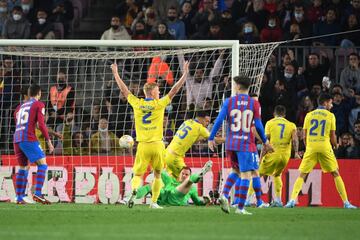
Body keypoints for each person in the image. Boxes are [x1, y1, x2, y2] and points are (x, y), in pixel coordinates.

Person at [111, 60, 189, 209]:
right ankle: (153, 202)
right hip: (158, 145)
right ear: (153, 92)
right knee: (158, 175)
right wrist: (184, 74)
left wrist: (116, 73)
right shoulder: (159, 104)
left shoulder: (137, 103)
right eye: (158, 91)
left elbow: (124, 90)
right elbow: (174, 90)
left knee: (138, 175)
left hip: (143, 146)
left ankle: (133, 192)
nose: (160, 93)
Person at [208, 76, 273, 215]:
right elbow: (259, 126)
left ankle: (224, 195)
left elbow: (219, 120)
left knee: (235, 171)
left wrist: (211, 137)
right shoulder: (254, 104)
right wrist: (266, 142)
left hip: (231, 144)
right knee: (246, 175)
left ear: (238, 86)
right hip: (245, 144)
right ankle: (240, 208)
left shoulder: (229, 101)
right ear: (248, 87)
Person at [285, 93, 357, 209]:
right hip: (324, 146)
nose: (332, 105)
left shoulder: (309, 115)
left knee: (302, 174)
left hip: (311, 147)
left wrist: (309, 146)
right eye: (331, 103)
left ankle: (292, 200)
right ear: (326, 102)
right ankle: (346, 203)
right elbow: (332, 135)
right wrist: (335, 145)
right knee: (335, 173)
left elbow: (304, 135)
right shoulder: (330, 116)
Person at [13, 84, 54, 204]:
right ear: (39, 93)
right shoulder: (39, 104)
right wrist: (49, 141)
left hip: (17, 138)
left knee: (23, 167)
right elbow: (41, 125)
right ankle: (38, 193)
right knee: (43, 164)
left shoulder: (20, 107)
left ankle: (19, 198)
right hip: (28, 138)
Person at [258, 105, 299, 207]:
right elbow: (294, 140)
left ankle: (248, 199)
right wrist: (296, 153)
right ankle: (278, 200)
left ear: (274, 114)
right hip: (285, 156)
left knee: (257, 174)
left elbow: (265, 142)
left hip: (273, 154)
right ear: (284, 115)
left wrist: (261, 157)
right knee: (277, 174)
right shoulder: (291, 125)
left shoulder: (270, 123)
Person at [165, 110, 224, 179]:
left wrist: (204, 138)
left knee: (174, 181)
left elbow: (192, 138)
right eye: (206, 121)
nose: (208, 123)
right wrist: (230, 139)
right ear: (201, 119)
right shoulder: (200, 128)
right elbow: (215, 140)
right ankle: (201, 174)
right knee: (188, 181)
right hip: (175, 157)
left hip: (167, 153)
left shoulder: (187, 122)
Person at [134, 164, 212, 206]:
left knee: (187, 184)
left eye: (186, 174)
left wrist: (204, 202)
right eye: (183, 173)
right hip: (164, 198)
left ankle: (199, 176)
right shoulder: (170, 179)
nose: (184, 175)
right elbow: (159, 171)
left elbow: (197, 201)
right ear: (179, 174)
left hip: (177, 199)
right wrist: (154, 165)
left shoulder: (192, 188)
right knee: (151, 185)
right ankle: (132, 196)